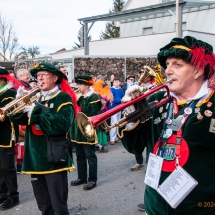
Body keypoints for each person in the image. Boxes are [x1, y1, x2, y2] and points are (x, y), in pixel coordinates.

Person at [121, 36, 215, 214]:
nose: (168, 71)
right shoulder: (156, 99)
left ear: (198, 71)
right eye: (167, 65)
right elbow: (134, 147)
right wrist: (131, 115)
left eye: (177, 65)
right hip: (154, 205)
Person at [10, 62, 78, 215]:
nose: (39, 79)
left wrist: (37, 110)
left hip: (53, 158)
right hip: (35, 158)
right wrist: (19, 102)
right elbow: (17, 119)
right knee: (43, 203)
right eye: (38, 76)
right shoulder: (36, 98)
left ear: (54, 78)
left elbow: (62, 124)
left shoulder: (63, 98)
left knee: (58, 204)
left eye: (43, 75)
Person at [70, 75, 102, 190]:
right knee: (79, 155)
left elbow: (90, 111)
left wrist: (80, 99)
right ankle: (81, 177)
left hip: (88, 130)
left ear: (87, 85)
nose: (77, 87)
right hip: (77, 130)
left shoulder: (94, 97)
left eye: (79, 84)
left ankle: (92, 179)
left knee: (90, 156)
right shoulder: (78, 96)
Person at [0, 67, 20, 210]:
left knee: (7, 167)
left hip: (7, 134)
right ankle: (2, 193)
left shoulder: (10, 92)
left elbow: (9, 113)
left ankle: (13, 195)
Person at [93, 75, 113, 153]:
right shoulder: (94, 90)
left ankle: (102, 145)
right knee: (97, 128)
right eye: (98, 80)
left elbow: (109, 98)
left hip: (103, 111)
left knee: (103, 128)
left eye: (100, 80)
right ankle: (98, 144)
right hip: (97, 111)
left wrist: (105, 101)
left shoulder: (106, 89)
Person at [108, 78, 125, 145]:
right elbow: (111, 99)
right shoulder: (111, 89)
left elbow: (123, 97)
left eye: (117, 82)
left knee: (118, 123)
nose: (116, 83)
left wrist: (122, 100)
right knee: (114, 123)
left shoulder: (120, 89)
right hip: (113, 108)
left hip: (119, 108)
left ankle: (116, 138)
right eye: (115, 82)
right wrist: (120, 100)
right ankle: (112, 138)